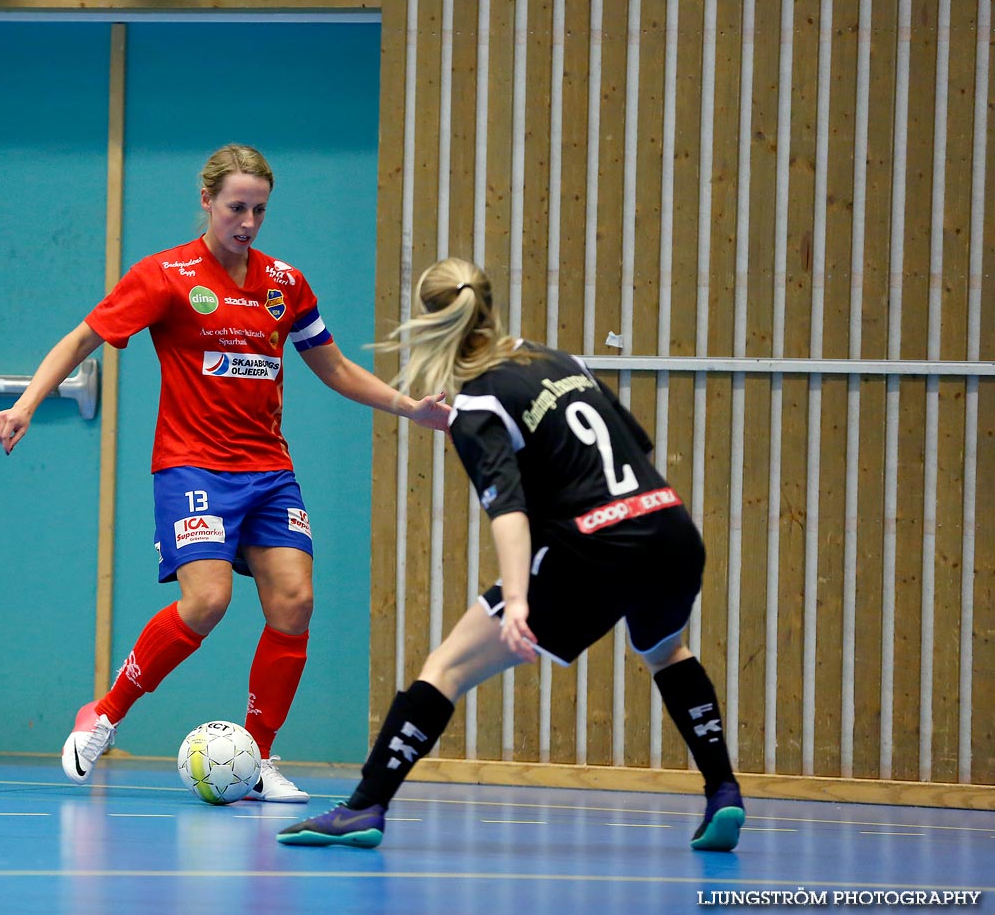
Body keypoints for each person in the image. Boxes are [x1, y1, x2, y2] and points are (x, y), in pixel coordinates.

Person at [0, 144, 450, 801]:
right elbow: (83, 337)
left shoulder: (285, 283)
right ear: (206, 201)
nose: (249, 222)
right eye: (237, 207)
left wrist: (411, 408)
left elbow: (335, 366)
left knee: (295, 603)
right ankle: (106, 714)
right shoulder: (165, 275)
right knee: (207, 602)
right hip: (192, 465)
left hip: (268, 471)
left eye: (260, 209)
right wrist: (26, 405)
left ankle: (258, 759)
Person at [278, 257, 746, 852]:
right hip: (671, 530)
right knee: (665, 649)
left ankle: (366, 806)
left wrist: (519, 598)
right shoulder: (560, 360)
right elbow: (637, 445)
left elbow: (510, 509)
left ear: (433, 323)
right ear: (490, 308)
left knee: (446, 666)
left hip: (595, 546)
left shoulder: (478, 404)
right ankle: (723, 790)